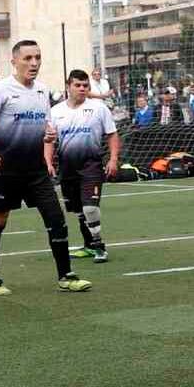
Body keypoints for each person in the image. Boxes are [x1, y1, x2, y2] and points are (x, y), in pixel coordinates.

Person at [0, 40, 92, 296]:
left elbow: (46, 129)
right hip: (4, 170)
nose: (34, 63)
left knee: (57, 220)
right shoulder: (0, 90)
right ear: (14, 61)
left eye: (37, 57)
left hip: (36, 172)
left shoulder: (42, 90)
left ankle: (66, 276)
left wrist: (48, 138)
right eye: (28, 58)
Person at [48, 68, 119, 264]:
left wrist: (113, 159)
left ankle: (99, 246)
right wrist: (47, 162)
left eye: (85, 85)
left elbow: (112, 134)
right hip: (67, 169)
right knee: (79, 210)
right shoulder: (55, 112)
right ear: (68, 87)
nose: (82, 89)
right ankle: (88, 246)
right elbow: (49, 140)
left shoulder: (99, 108)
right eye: (77, 85)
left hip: (92, 167)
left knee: (90, 208)